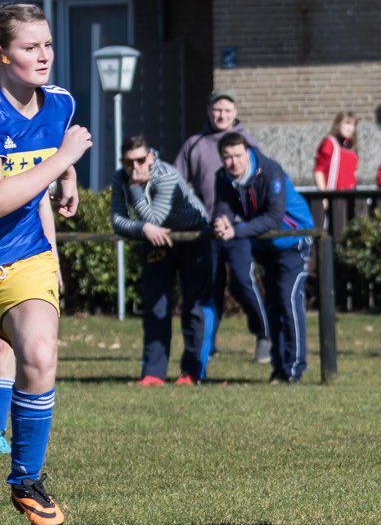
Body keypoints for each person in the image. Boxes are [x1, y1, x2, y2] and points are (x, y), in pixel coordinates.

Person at [0, 2, 89, 525]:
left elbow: (48, 158)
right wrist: (61, 163)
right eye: (30, 47)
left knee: (37, 350)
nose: (44, 56)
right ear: (2, 54)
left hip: (27, 256)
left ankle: (26, 481)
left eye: (49, 44)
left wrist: (67, 176)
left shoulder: (60, 104)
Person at [109, 135, 215, 386]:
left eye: (140, 160)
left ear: (151, 157)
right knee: (155, 305)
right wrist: (143, 230)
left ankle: (193, 372)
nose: (135, 168)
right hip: (156, 239)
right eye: (128, 162)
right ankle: (154, 374)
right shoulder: (119, 177)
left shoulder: (166, 175)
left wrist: (135, 191)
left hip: (193, 236)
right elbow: (117, 221)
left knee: (193, 307)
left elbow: (154, 217)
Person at [175, 90, 271, 364]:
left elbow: (263, 179)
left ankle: (264, 335)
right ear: (208, 111)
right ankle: (209, 345)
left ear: (235, 112)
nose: (222, 115)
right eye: (217, 110)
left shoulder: (247, 143)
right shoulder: (195, 144)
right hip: (207, 228)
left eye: (227, 110)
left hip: (240, 228)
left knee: (243, 280)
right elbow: (176, 183)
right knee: (210, 287)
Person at [212, 132, 315, 383]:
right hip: (265, 246)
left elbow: (274, 217)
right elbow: (224, 207)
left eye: (238, 155)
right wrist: (220, 222)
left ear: (247, 153)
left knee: (288, 301)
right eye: (227, 157)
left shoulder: (270, 172)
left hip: (293, 240)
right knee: (273, 305)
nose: (233, 162)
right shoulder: (222, 178)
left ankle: (294, 368)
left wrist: (235, 231)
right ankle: (279, 367)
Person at [312, 110, 359, 191]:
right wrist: (324, 196)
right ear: (338, 124)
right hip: (334, 196)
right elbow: (318, 171)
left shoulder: (352, 148)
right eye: (347, 123)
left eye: (353, 125)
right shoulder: (330, 143)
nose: (350, 128)